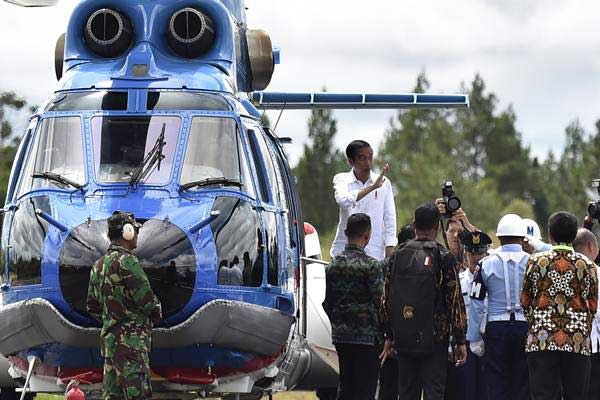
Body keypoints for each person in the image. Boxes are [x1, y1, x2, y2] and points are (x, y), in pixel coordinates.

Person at [381, 203, 467, 400]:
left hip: (404, 335)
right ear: (437, 226)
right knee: (434, 392)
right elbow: (454, 300)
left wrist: (389, 334)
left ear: (414, 225)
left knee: (407, 392)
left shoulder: (397, 256)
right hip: (435, 338)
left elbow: (386, 298)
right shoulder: (443, 256)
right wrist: (460, 339)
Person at [521, 212, 598, 400]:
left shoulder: (536, 261)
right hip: (577, 341)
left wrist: (538, 321)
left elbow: (525, 299)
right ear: (573, 236)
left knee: (543, 395)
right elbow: (593, 305)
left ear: (550, 235)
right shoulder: (588, 265)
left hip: (542, 339)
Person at [87, 211, 162, 400]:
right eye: (135, 230)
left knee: (113, 396)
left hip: (111, 347)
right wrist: (153, 315)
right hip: (132, 348)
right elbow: (148, 302)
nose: (137, 235)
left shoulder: (98, 265)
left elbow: (92, 306)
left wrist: (114, 320)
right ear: (127, 232)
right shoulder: (128, 262)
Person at [322, 213, 384, 400]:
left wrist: (339, 323)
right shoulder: (371, 266)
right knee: (365, 390)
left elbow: (328, 303)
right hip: (367, 339)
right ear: (367, 235)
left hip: (342, 337)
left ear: (347, 233)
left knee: (346, 387)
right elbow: (379, 303)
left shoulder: (332, 265)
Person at [468, 213, 530, 400]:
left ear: (499, 237)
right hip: (524, 326)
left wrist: (474, 337)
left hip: (496, 328)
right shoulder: (532, 262)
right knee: (522, 383)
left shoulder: (486, 264)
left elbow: (477, 303)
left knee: (496, 383)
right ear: (522, 238)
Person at [331, 140, 397, 261]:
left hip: (374, 253)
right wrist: (372, 188)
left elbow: (390, 219)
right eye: (362, 158)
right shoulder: (341, 179)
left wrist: (389, 253)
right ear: (351, 161)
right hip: (344, 252)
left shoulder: (384, 182)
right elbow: (343, 201)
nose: (368, 163)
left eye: (370, 157)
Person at [378, 223, 416, 400]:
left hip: (387, 334)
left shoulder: (384, 264)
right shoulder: (417, 263)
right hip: (409, 335)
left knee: (388, 385)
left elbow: (381, 302)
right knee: (408, 387)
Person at [456, 231, 492, 400]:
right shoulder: (459, 280)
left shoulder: (493, 280)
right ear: (466, 254)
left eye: (480, 253)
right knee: (466, 390)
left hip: (488, 340)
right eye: (472, 253)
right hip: (465, 341)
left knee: (487, 390)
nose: (476, 258)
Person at [572, 229, 600, 400]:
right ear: (591, 246)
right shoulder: (596, 272)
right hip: (594, 345)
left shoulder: (562, 271)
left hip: (568, 345)